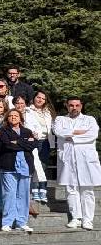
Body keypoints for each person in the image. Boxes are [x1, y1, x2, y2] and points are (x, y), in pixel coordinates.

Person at [54, 97, 101, 230]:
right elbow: (58, 132)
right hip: (68, 158)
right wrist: (78, 132)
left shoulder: (89, 119)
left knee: (87, 190)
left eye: (77, 105)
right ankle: (76, 217)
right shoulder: (60, 119)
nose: (74, 108)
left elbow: (92, 135)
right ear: (66, 106)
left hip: (86, 159)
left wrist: (70, 136)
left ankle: (88, 219)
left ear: (81, 106)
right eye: (71, 105)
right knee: (71, 189)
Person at [0, 109, 36, 233]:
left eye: (16, 115)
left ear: (20, 118)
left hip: (25, 166)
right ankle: (7, 222)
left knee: (23, 196)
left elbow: (33, 145)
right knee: (9, 195)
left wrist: (16, 142)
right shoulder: (3, 130)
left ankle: (21, 222)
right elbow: (7, 145)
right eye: (11, 116)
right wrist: (24, 142)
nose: (13, 117)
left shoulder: (27, 131)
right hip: (9, 167)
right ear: (7, 118)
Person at [25, 91, 56, 203]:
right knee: (34, 165)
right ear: (34, 98)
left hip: (45, 141)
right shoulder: (27, 110)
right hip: (34, 141)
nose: (40, 100)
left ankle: (43, 189)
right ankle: (34, 189)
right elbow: (26, 125)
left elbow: (52, 128)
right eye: (38, 97)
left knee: (43, 165)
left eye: (43, 99)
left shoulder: (48, 112)